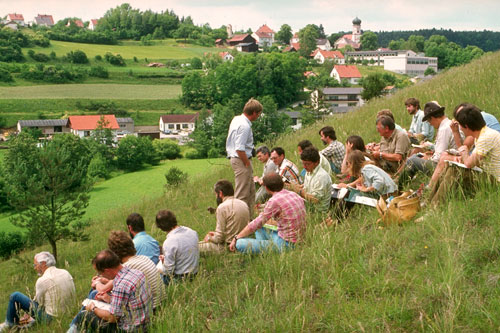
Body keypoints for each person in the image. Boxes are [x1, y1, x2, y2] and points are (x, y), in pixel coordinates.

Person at [429, 104, 500, 204]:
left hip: (495, 182)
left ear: (466, 126)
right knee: (450, 166)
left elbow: (468, 163)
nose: (461, 129)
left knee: (454, 169)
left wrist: (465, 152)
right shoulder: (482, 134)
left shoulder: (486, 137)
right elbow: (470, 159)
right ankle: (429, 201)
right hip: (488, 176)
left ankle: (433, 207)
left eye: (460, 126)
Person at [69, 250, 152, 333]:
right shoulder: (137, 273)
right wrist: (109, 299)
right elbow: (128, 301)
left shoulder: (120, 285)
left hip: (129, 330)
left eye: (100, 273)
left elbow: (113, 318)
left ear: (107, 270)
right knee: (94, 294)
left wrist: (93, 308)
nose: (100, 276)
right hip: (145, 324)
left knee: (84, 316)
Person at [229, 173, 306, 254]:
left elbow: (257, 223)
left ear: (266, 188)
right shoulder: (293, 194)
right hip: (297, 240)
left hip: (285, 244)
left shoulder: (274, 200)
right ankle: (264, 250)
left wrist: (236, 237)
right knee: (260, 228)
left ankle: (264, 249)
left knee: (239, 244)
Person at [0, 252, 75, 332]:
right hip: (68, 312)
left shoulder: (42, 280)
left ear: (43, 264)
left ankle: (9, 324)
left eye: (35, 265)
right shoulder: (65, 272)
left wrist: (30, 314)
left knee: (15, 296)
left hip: (51, 318)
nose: (35, 268)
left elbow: (39, 304)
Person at [399, 101, 457, 186]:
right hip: (446, 161)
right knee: (416, 156)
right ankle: (402, 184)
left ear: (432, 118)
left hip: (445, 166)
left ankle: (399, 187)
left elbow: (438, 158)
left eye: (429, 121)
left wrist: (428, 157)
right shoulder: (446, 125)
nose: (430, 124)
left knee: (412, 161)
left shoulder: (444, 129)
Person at [107, 231, 164, 310]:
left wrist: (97, 283)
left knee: (95, 294)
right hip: (161, 303)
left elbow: (106, 289)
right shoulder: (143, 258)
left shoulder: (127, 267)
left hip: (151, 309)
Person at [226, 98, 263, 217]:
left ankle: (249, 220)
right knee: (242, 194)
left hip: (239, 158)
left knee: (251, 192)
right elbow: (239, 148)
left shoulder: (237, 119)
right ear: (254, 113)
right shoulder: (245, 126)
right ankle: (238, 222)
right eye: (258, 114)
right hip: (241, 159)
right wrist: (247, 163)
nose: (258, 117)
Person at [199, 180, 249, 254]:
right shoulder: (243, 204)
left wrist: (209, 238)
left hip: (228, 247)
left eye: (216, 194)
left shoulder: (222, 207)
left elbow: (219, 239)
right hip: (244, 242)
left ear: (220, 193)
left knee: (192, 247)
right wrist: (215, 234)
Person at [155, 210, 199, 284]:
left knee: (154, 275)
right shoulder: (192, 232)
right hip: (195, 273)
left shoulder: (169, 242)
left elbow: (168, 271)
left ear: (161, 227)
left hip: (180, 279)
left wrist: (162, 264)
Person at [289, 147, 332, 213]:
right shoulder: (309, 171)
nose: (304, 167)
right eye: (303, 163)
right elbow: (307, 189)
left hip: (317, 211)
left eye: (307, 164)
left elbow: (315, 199)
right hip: (308, 205)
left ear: (316, 162)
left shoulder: (321, 176)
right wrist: (295, 187)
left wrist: (299, 191)